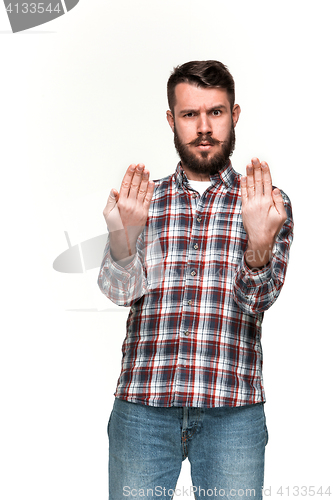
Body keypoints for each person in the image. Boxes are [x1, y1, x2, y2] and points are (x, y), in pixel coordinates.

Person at [98, 60, 293, 499]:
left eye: (216, 113)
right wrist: (123, 240)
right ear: (172, 119)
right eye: (190, 114)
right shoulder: (144, 202)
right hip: (143, 408)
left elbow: (257, 301)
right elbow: (119, 293)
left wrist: (259, 245)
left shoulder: (264, 203)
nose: (204, 127)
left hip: (232, 410)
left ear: (234, 114)